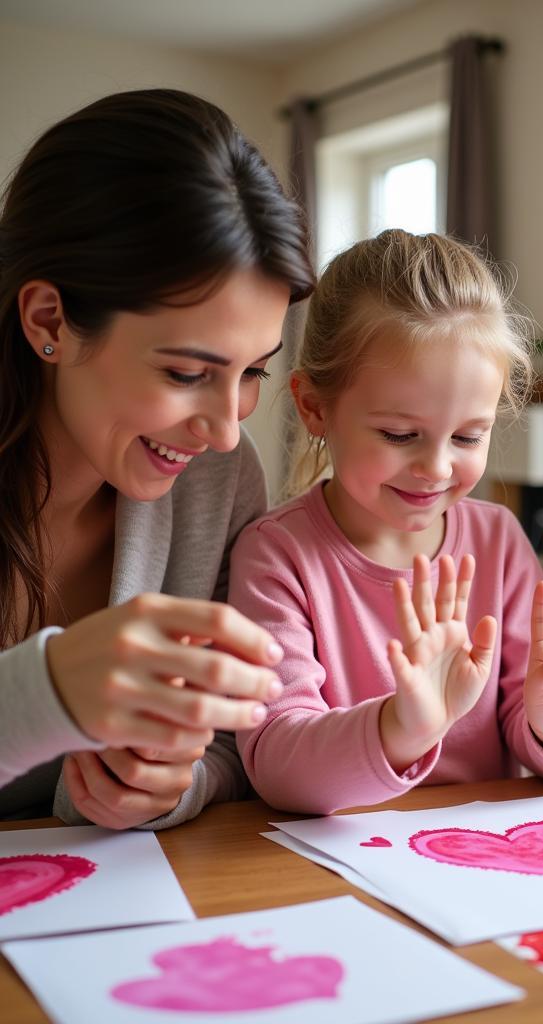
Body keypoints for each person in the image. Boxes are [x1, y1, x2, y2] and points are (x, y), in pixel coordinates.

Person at [0, 89, 316, 828]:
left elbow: (242, 741)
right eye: (185, 373)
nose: (227, 430)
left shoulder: (213, 480)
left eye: (254, 372)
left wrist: (178, 785)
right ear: (49, 320)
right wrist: (44, 696)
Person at [229, 229, 543, 816]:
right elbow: (274, 762)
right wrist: (401, 727)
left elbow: (526, 720)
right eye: (398, 435)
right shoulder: (277, 553)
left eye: (468, 435)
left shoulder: (498, 540)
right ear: (315, 407)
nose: (436, 467)